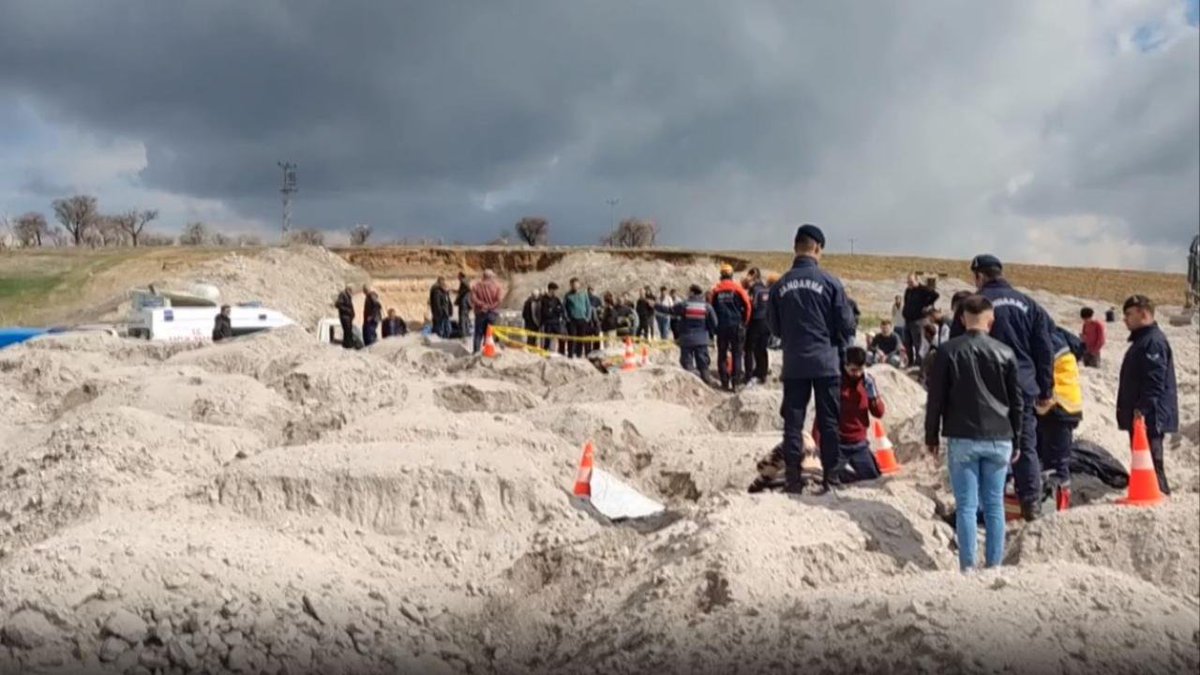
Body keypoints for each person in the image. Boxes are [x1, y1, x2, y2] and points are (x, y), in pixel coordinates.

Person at [925, 295, 1023, 572]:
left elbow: (936, 399)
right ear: (991, 320)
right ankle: (994, 565)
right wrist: (1019, 437)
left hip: (963, 435)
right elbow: (1017, 402)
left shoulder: (947, 351)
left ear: (960, 318)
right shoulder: (1005, 352)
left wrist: (931, 436)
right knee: (994, 505)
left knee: (966, 506)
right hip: (1000, 436)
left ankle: (967, 567)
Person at [767, 224, 853, 494]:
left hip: (794, 363)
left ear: (795, 247)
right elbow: (847, 324)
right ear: (817, 248)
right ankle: (832, 480)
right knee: (829, 422)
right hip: (826, 362)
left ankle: (793, 480)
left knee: (793, 424)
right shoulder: (830, 282)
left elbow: (774, 328)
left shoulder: (779, 286)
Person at [968, 255, 1054, 521]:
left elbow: (963, 347)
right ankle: (1031, 506)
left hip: (986, 385)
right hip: (1023, 385)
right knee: (1026, 446)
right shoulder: (1029, 304)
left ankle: (982, 507)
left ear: (979, 276)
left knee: (983, 445)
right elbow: (1045, 349)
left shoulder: (976, 306)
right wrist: (1046, 390)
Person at [1116, 295, 1178, 496]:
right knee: (1145, 459)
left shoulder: (1152, 342)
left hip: (1150, 415)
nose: (1125, 319)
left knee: (1152, 460)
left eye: (1128, 314)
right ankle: (1151, 493)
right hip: (1142, 414)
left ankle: (1159, 494)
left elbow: (1154, 381)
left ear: (1143, 314)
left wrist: (1142, 409)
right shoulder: (1143, 341)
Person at [1037, 326, 1083, 510]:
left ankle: (1055, 510)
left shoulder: (1047, 343)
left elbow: (1044, 375)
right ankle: (1056, 505)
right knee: (1055, 461)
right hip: (1067, 406)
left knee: (1055, 465)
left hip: (1057, 406)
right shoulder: (1060, 338)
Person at [831, 346, 884, 484]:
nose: (857, 374)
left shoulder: (867, 382)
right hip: (838, 444)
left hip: (859, 444)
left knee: (874, 478)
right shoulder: (836, 383)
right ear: (845, 365)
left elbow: (879, 413)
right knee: (828, 477)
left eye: (861, 370)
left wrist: (874, 396)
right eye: (853, 370)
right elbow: (824, 414)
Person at [656, 284, 718, 385]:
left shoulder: (684, 304)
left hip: (686, 339)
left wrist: (655, 305)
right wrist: (709, 334)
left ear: (692, 292)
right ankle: (706, 384)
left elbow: (670, 311)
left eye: (688, 291)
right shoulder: (707, 306)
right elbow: (714, 323)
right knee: (703, 365)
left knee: (688, 365)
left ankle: (693, 385)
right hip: (702, 340)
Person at [712, 263, 752, 391]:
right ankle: (735, 383)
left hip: (722, 327)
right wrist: (744, 322)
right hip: (737, 326)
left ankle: (724, 382)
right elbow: (747, 306)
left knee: (722, 355)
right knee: (737, 355)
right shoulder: (738, 288)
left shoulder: (716, 291)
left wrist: (715, 326)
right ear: (731, 275)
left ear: (721, 276)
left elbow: (712, 310)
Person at [902, 273, 939, 365]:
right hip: (908, 320)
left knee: (918, 342)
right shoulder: (908, 291)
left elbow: (935, 295)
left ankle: (919, 363)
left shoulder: (922, 289)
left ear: (917, 280)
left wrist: (926, 305)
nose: (909, 284)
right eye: (908, 282)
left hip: (918, 320)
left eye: (911, 282)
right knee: (907, 342)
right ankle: (910, 361)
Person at [744, 268, 771, 386]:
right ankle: (762, 372)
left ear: (753, 277)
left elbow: (751, 306)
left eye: (749, 276)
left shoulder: (754, 290)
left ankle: (749, 375)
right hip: (767, 323)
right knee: (762, 348)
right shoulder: (767, 290)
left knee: (749, 348)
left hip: (755, 321)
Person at [469, 269, 504, 354]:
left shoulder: (476, 286)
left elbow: (473, 299)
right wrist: (491, 307)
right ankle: (488, 352)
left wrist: (482, 305)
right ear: (491, 277)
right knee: (490, 335)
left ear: (483, 276)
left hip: (480, 313)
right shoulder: (497, 286)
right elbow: (499, 300)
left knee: (478, 334)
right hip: (492, 313)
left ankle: (476, 352)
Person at [564, 278, 594, 359]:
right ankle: (570, 355)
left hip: (583, 319)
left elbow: (589, 306)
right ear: (570, 285)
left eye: (576, 284)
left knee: (582, 338)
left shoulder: (584, 294)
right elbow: (564, 308)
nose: (575, 286)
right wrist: (567, 318)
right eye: (573, 285)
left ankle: (579, 354)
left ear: (579, 285)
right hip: (572, 320)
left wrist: (588, 317)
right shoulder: (567, 295)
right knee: (572, 338)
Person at [539, 282, 567, 355]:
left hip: (556, 322)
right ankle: (544, 353)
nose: (556, 292)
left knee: (561, 338)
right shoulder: (544, 299)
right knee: (547, 340)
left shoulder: (556, 299)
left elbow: (561, 309)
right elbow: (545, 312)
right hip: (547, 323)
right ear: (551, 290)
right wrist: (554, 310)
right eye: (555, 290)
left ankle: (562, 353)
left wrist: (554, 309)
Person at [335, 285, 356, 349]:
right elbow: (338, 305)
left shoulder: (347, 296)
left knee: (348, 331)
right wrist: (348, 311)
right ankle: (348, 345)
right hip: (345, 316)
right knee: (347, 331)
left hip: (348, 317)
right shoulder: (343, 295)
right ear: (348, 289)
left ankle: (348, 345)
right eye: (351, 290)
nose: (352, 292)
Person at [455, 272, 472, 342]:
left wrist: (461, 293)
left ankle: (463, 334)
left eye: (458, 277)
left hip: (464, 303)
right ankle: (467, 332)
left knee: (462, 318)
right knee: (466, 318)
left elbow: (467, 288)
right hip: (467, 303)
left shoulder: (464, 281)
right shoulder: (466, 281)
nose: (457, 278)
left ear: (461, 276)